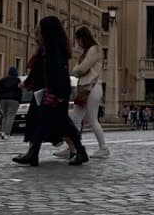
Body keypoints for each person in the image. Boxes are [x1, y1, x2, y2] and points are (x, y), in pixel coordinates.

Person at [13, 16, 89, 166]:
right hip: (56, 90)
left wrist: (57, 93)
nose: (39, 31)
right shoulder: (55, 45)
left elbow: (57, 71)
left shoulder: (53, 47)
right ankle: (35, 155)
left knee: (48, 122)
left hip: (56, 91)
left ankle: (34, 155)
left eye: (41, 28)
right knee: (55, 122)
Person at [56, 26, 110, 160]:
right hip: (85, 87)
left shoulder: (94, 49)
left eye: (77, 40)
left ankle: (103, 148)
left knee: (92, 119)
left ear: (82, 38)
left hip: (91, 87)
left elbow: (82, 68)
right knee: (75, 118)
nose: (77, 44)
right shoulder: (89, 50)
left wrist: (74, 70)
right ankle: (72, 147)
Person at [0, 66, 22, 139]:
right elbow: (19, 91)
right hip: (14, 100)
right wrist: (19, 101)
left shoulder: (2, 80)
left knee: (5, 116)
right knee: (11, 116)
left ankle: (3, 132)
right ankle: (7, 133)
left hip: (3, 99)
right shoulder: (17, 80)